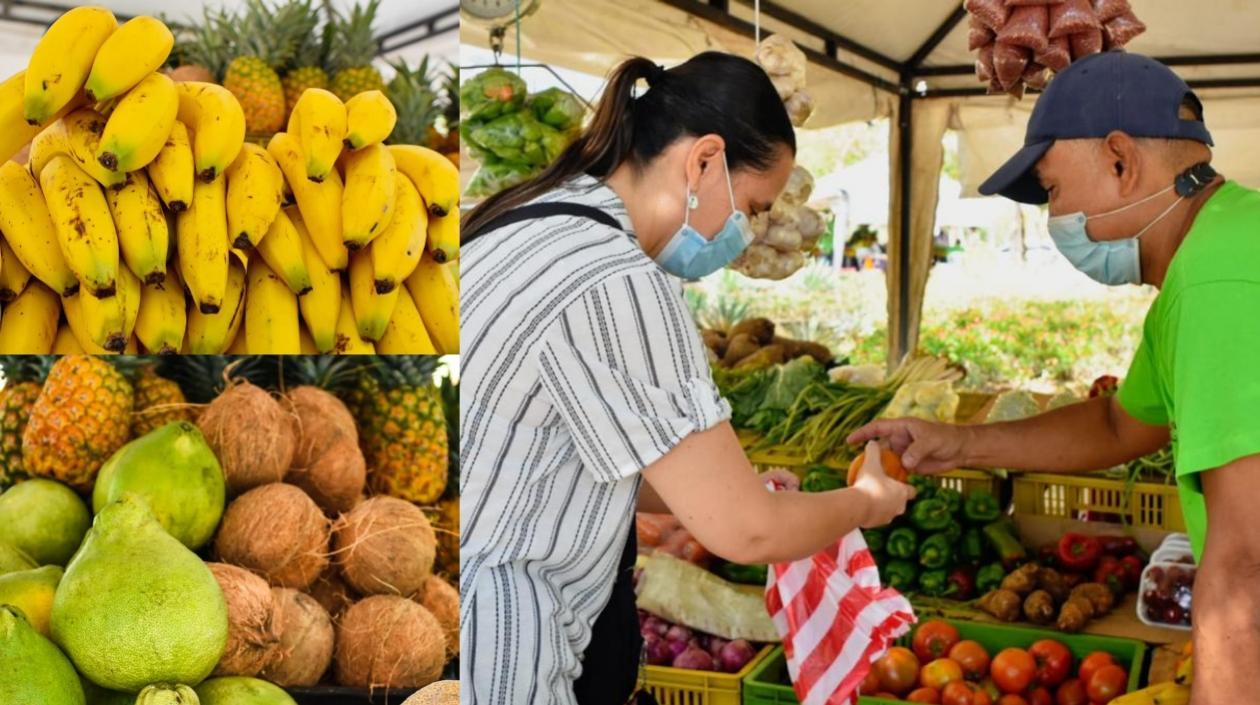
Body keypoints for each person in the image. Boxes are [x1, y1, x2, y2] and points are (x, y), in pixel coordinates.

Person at [459, 52, 915, 705]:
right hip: (511, 658)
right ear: (703, 161)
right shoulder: (617, 279)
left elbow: (551, 452)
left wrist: (710, 488)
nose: (748, 231)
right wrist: (866, 502)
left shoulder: (520, 220)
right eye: (753, 207)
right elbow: (749, 531)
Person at [851, 51, 1260, 705]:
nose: (1054, 219)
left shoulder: (1220, 283)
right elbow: (1118, 422)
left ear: (1122, 161)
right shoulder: (1214, 254)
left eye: (1054, 191)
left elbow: (1245, 566)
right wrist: (956, 443)